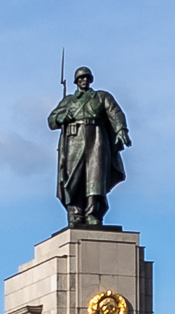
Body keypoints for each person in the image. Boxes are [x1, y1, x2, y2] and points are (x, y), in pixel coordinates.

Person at [47, 66, 132, 227]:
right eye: (81, 78)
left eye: (86, 78)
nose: (84, 80)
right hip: (74, 139)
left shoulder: (101, 96)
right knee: (74, 177)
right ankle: (76, 213)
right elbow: (51, 120)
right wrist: (62, 117)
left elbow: (115, 112)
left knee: (96, 177)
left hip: (97, 139)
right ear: (76, 81)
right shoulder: (69, 101)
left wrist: (121, 129)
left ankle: (93, 214)